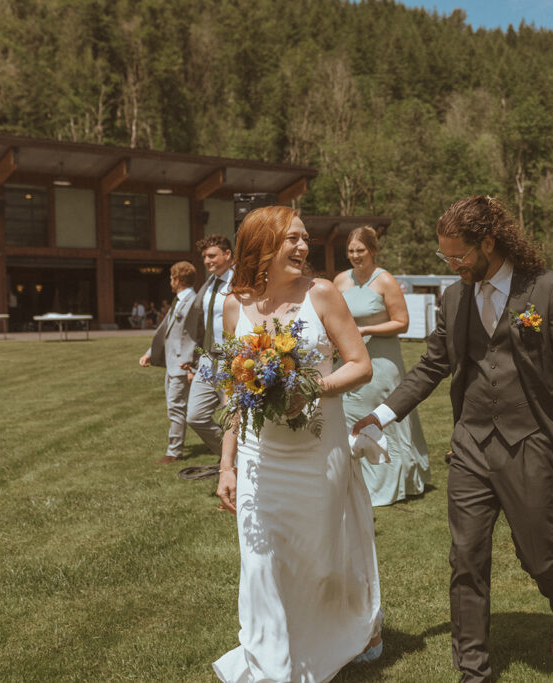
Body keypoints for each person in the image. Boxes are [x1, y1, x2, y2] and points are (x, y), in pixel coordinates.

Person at [351, 196, 553, 682]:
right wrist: (381, 415)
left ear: (489, 243)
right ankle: (474, 673)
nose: (452, 266)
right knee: (465, 558)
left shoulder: (546, 290)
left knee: (537, 554)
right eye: (445, 258)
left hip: (530, 443)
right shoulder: (453, 297)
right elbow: (432, 366)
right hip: (469, 445)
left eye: (458, 256)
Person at [213, 206, 382, 682]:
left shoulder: (321, 294)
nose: (303, 247)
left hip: (316, 451)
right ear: (262, 245)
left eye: (304, 239)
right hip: (258, 456)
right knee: (261, 563)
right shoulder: (234, 304)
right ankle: (270, 665)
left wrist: (313, 388)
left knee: (318, 561)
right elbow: (234, 394)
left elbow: (359, 364)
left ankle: (343, 628)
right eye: (291, 239)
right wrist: (227, 465)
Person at [333, 226, 431, 506]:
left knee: (382, 415)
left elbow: (402, 322)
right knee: (350, 415)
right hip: (349, 359)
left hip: (382, 360)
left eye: (360, 250)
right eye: (351, 251)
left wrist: (365, 330)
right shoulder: (340, 281)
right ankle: (356, 481)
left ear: (373, 251)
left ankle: (395, 480)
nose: (355, 256)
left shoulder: (385, 280)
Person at [138, 262, 198, 464]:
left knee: (176, 407)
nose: (170, 282)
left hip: (182, 364)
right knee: (174, 407)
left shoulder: (192, 302)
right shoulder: (179, 300)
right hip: (172, 363)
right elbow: (168, 331)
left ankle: (174, 451)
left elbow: (196, 336)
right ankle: (175, 447)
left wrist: (192, 365)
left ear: (178, 279)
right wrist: (149, 353)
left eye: (172, 278)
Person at [184, 234, 235, 456]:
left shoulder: (240, 283)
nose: (207, 261)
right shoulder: (210, 283)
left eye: (212, 255)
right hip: (207, 359)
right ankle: (230, 457)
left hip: (231, 359)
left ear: (228, 254)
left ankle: (235, 466)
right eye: (204, 256)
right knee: (195, 416)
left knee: (232, 416)